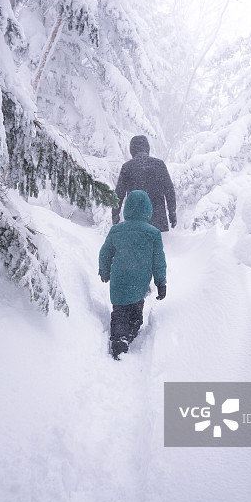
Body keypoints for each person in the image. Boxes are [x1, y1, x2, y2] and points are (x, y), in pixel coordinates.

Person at [99, 190, 167, 360]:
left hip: (119, 279)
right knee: (136, 311)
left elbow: (105, 253)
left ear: (127, 208)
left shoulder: (116, 230)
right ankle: (129, 333)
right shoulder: (153, 233)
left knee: (120, 310)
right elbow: (158, 260)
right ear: (148, 209)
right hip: (139, 280)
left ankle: (118, 338)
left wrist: (104, 270)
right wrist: (161, 283)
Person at [112, 135, 177, 232]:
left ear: (132, 150)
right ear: (147, 148)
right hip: (157, 217)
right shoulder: (159, 165)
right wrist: (172, 213)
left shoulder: (127, 167)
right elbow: (169, 190)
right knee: (156, 245)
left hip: (135, 217)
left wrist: (115, 215)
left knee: (136, 246)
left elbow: (119, 193)